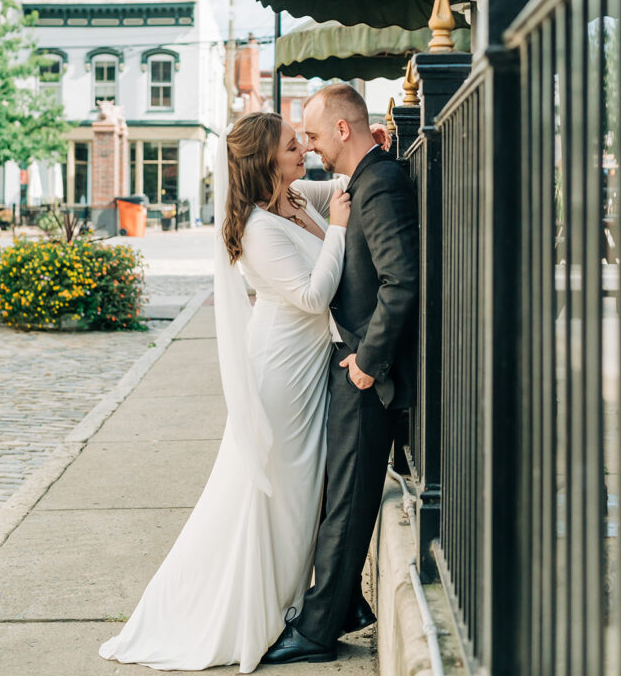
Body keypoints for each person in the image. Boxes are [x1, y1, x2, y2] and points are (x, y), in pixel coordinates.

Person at [99, 111, 351, 672]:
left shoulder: (296, 196)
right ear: (266, 160)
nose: (302, 150)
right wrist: (336, 228)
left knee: (299, 495)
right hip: (280, 375)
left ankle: (287, 602)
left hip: (308, 367)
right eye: (292, 145)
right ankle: (250, 610)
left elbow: (341, 179)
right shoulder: (260, 228)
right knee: (276, 496)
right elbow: (312, 298)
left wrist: (367, 150)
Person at [262, 83, 419, 665]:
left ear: (344, 130)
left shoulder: (379, 185)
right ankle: (346, 601)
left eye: (314, 134)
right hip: (349, 359)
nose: (311, 145)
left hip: (364, 367)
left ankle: (319, 630)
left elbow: (401, 282)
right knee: (337, 493)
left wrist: (366, 363)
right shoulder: (364, 180)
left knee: (348, 497)